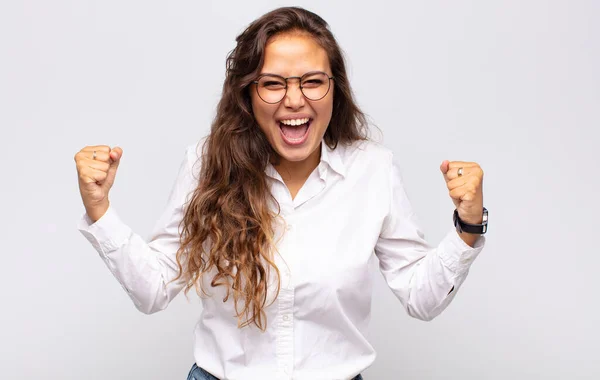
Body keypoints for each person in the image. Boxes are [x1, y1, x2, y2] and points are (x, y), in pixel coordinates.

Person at [74, 6, 487, 380]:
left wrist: (468, 224)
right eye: (272, 83)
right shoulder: (206, 163)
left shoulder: (373, 169)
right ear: (248, 94)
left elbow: (422, 297)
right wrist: (100, 210)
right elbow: (154, 290)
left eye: (312, 82)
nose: (294, 100)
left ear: (334, 88)